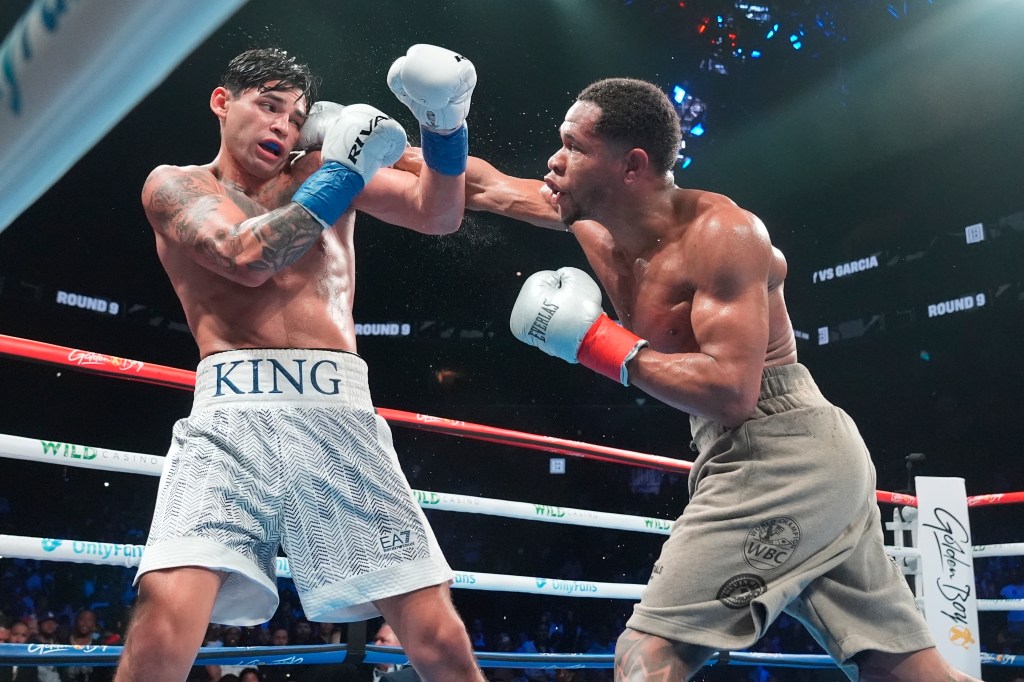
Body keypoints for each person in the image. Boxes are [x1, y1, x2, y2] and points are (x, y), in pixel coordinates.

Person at [458, 78, 983, 681]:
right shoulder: (591, 218)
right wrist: (368, 146)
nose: (554, 159)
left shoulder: (722, 235)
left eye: (575, 146)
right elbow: (481, 186)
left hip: (780, 447)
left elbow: (735, 394)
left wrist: (596, 342)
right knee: (904, 671)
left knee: (648, 654)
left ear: (631, 166)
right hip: (782, 454)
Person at [114, 45, 483, 682]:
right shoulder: (176, 185)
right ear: (223, 102)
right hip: (229, 418)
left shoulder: (319, 167)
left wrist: (445, 126)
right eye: (268, 106)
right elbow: (244, 258)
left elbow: (439, 212)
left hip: (338, 414)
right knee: (163, 613)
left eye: (296, 115)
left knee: (437, 634)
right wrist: (342, 170)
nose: (283, 126)